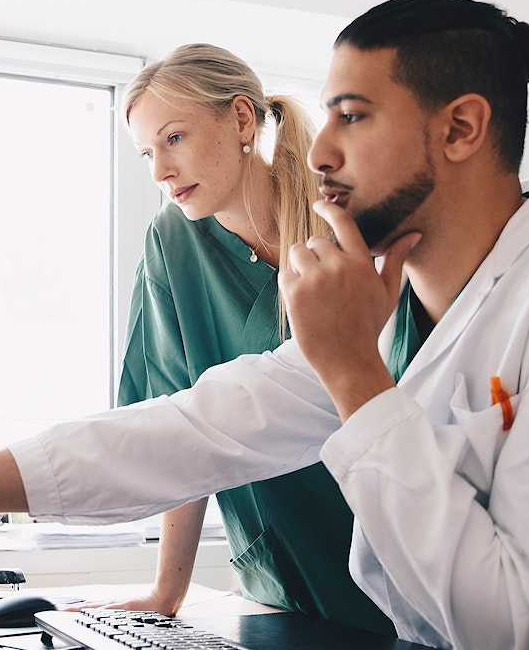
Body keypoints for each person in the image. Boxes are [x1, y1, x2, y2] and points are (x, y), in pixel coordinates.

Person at [0, 0, 529, 650]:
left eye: (351, 116)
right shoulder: (389, 306)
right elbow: (183, 432)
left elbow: (523, 628)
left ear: (459, 129)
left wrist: (351, 370)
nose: (316, 150)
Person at [100, 44, 391, 632]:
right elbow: (180, 423)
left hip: (380, 533)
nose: (160, 171)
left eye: (174, 139)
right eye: (146, 153)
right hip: (276, 562)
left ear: (239, 119)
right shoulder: (172, 242)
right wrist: (167, 590)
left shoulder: (343, 220)